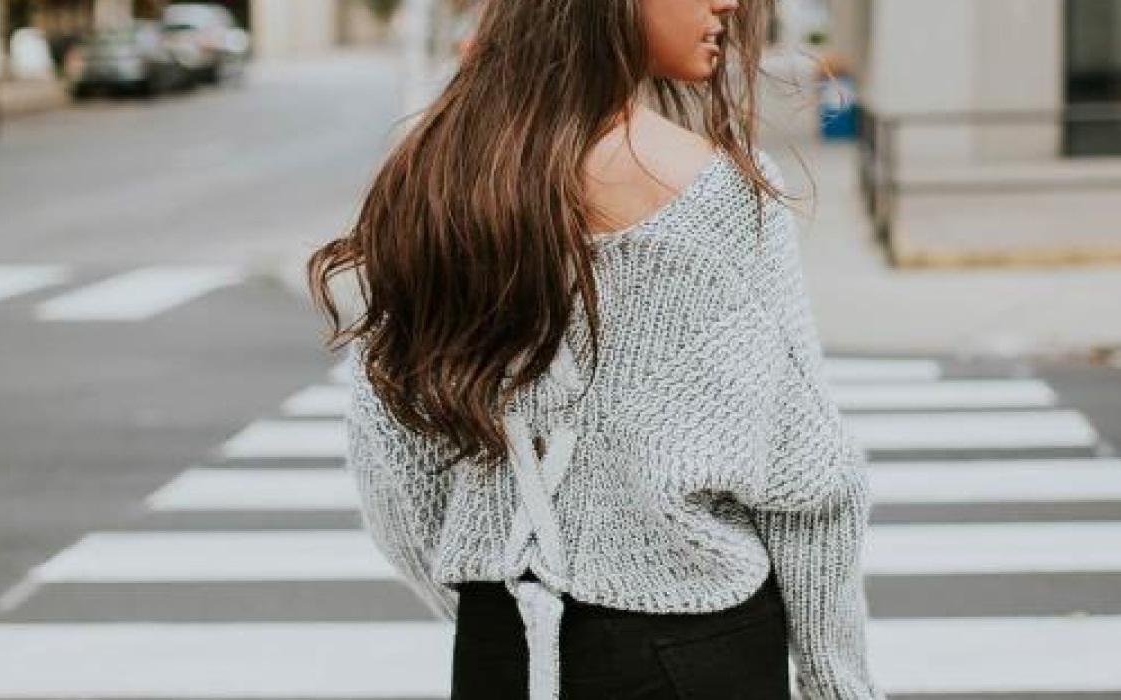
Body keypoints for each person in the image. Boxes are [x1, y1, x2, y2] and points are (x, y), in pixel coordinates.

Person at [303, 0, 884, 697]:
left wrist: (494, 612)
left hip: (501, 642)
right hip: (693, 647)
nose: (728, 2)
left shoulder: (437, 178)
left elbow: (393, 461)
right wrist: (836, 684)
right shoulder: (719, 195)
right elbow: (811, 478)